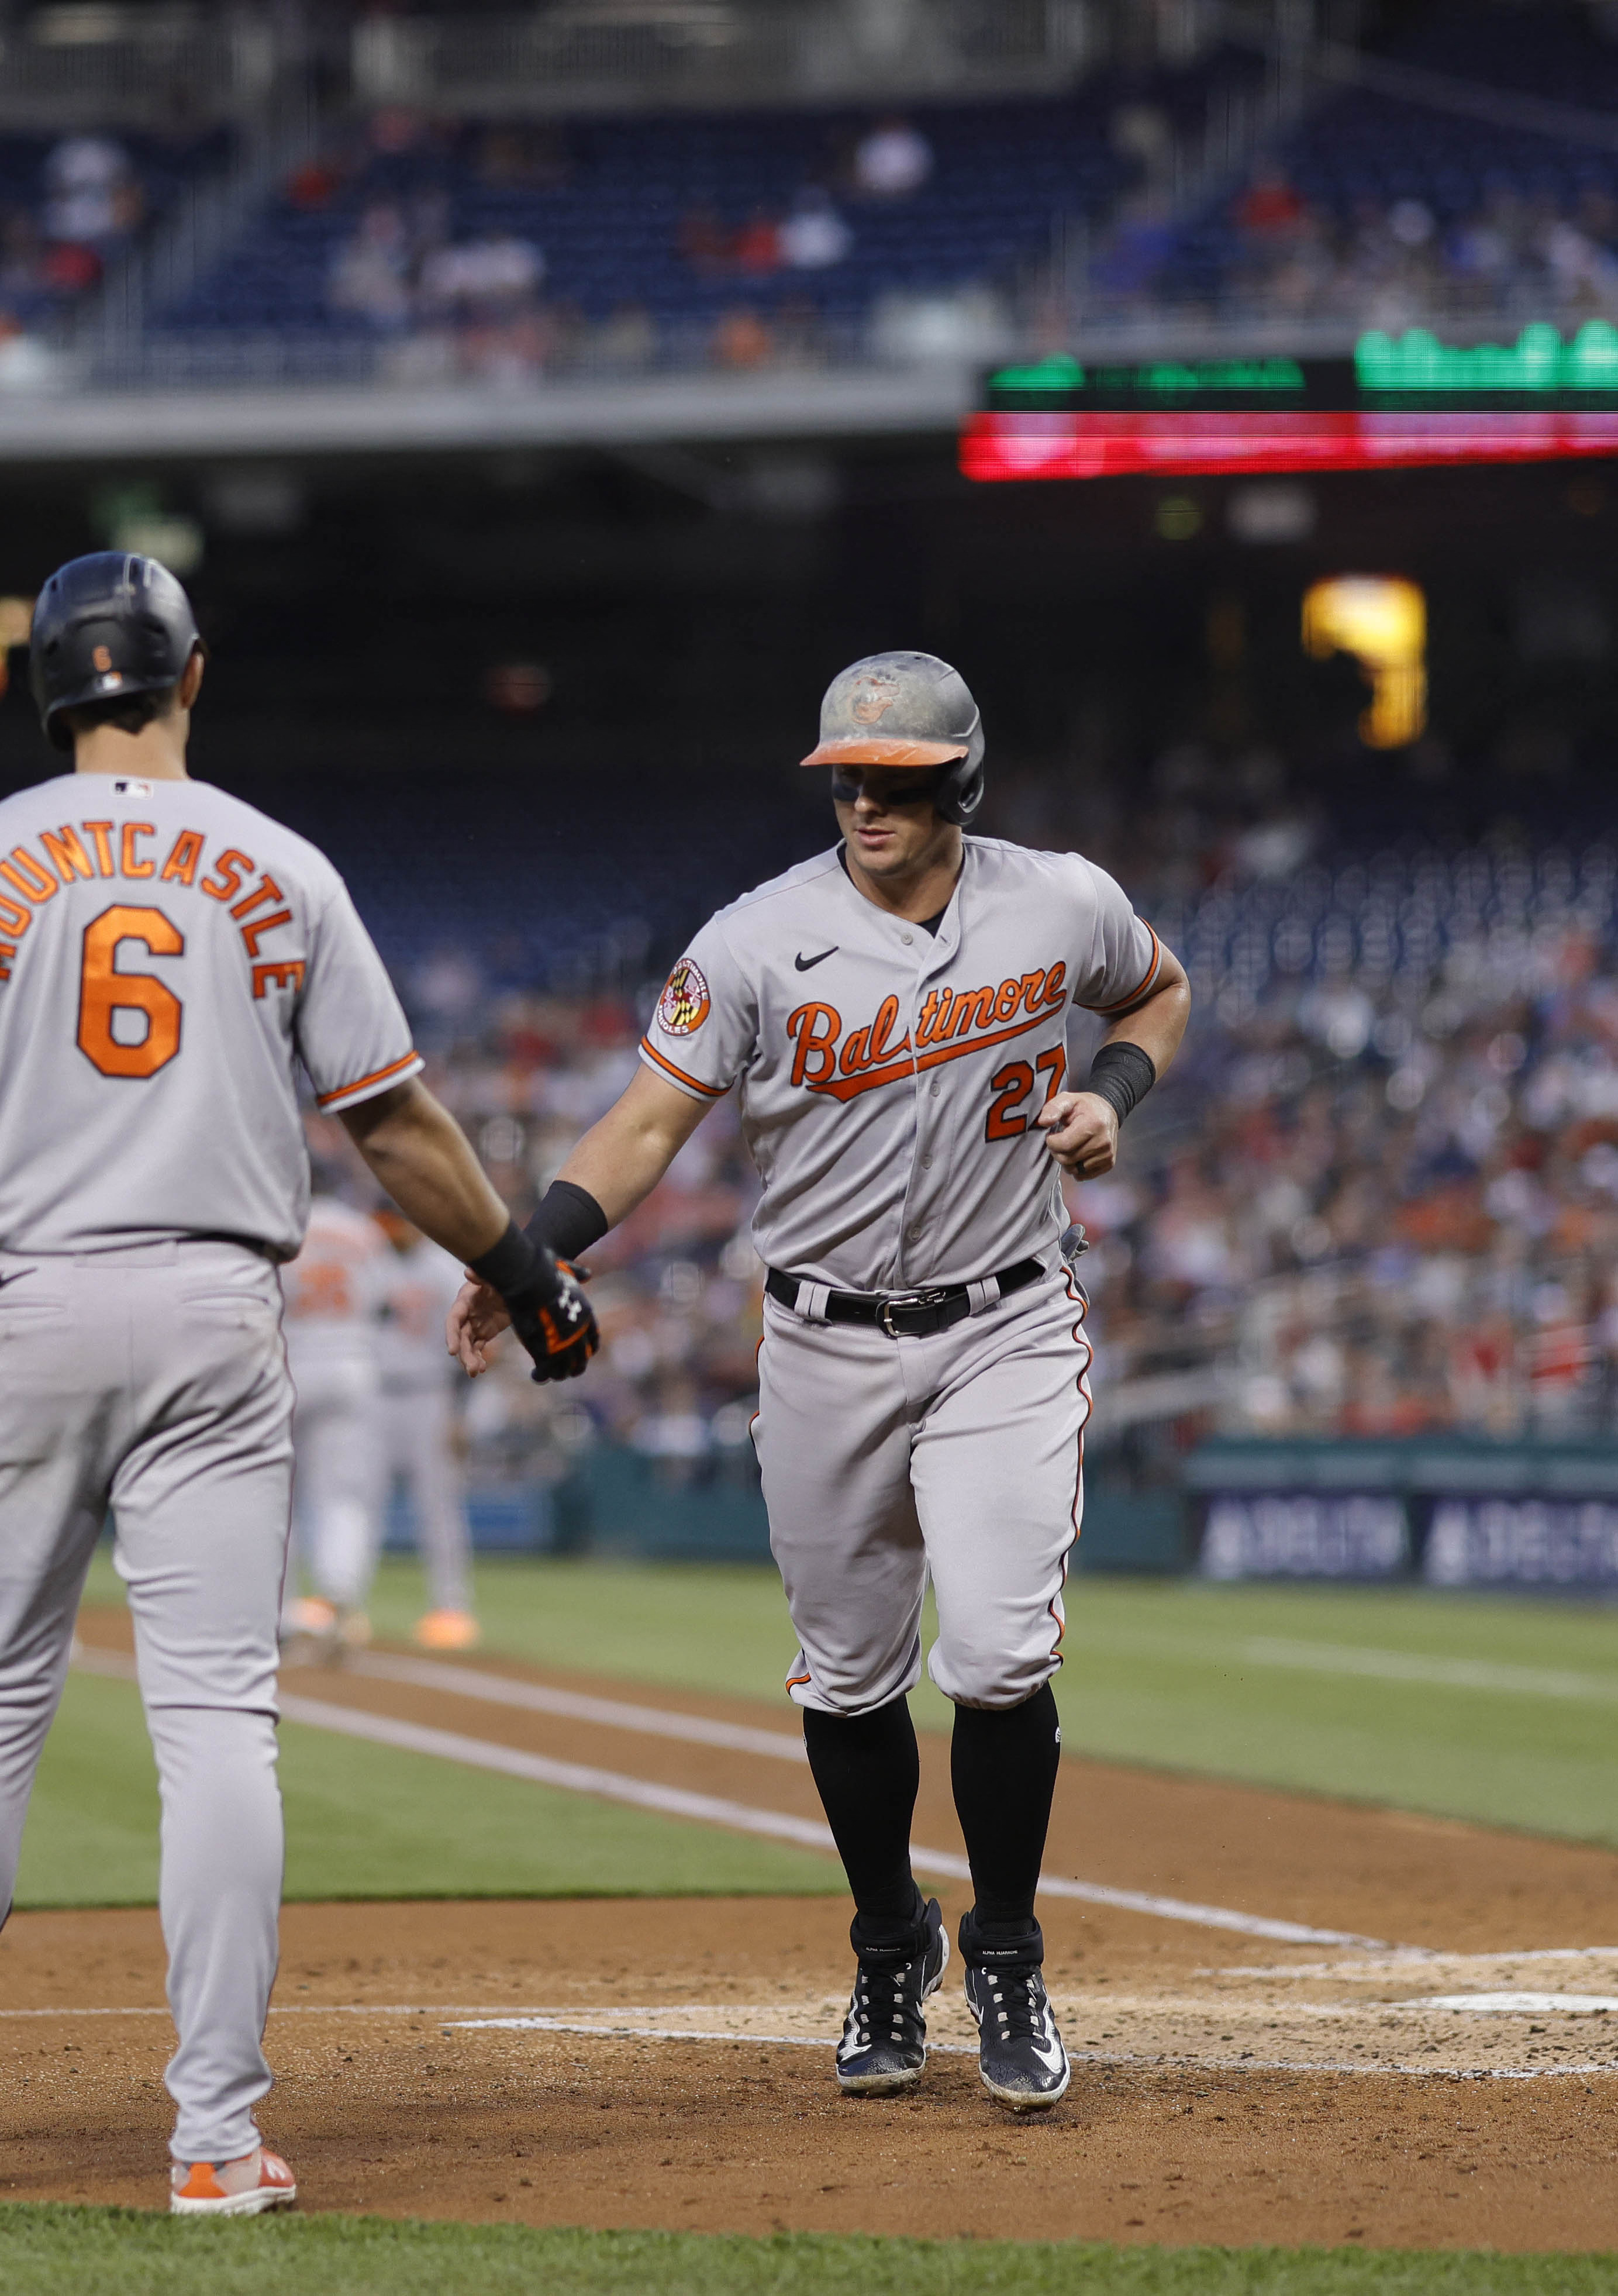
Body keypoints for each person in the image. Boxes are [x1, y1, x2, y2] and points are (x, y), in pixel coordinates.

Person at [0, 551, 599, 2214]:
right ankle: (213, 2136)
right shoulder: (277, 864)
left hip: (22, 1300)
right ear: (188, 678)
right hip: (211, 1307)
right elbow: (390, 1124)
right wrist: (524, 1273)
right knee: (216, 1724)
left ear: (45, 687)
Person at [452, 651, 1189, 2113]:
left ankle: (1007, 1948)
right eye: (844, 775)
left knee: (992, 1651)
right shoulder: (756, 938)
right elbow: (650, 1120)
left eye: (895, 779)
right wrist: (532, 1250)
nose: (862, 799)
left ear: (958, 785)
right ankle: (885, 1937)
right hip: (823, 1337)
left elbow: (1157, 986)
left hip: (1005, 1324)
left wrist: (1115, 1088)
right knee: (851, 1675)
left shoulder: (1058, 898)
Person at [281, 1185, 388, 1657]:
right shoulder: (363, 1231)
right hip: (352, 1365)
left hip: (290, 1362)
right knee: (342, 1494)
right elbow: (385, 1300)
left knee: (275, 1494)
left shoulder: (280, 1222)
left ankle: (277, 1615)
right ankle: (340, 1600)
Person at [371, 1201, 479, 1647]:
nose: (392, 1232)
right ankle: (340, 1602)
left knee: (438, 1505)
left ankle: (451, 1608)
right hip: (373, 1394)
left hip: (431, 1393)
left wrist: (459, 1414)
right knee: (360, 1500)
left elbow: (471, 1341)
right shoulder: (369, 1264)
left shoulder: (444, 1268)